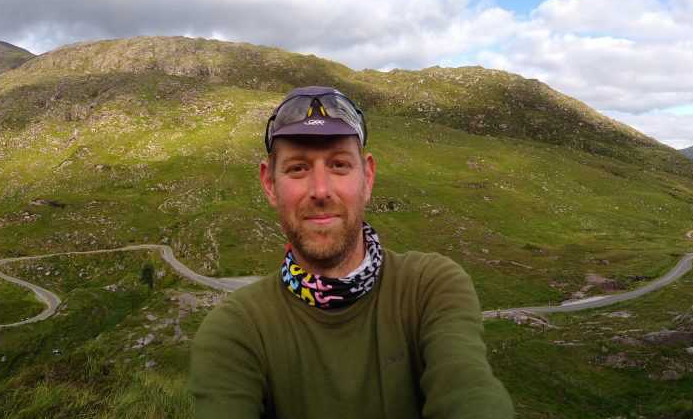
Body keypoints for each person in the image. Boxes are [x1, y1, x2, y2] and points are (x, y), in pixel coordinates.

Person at [189, 86, 511, 418]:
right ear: (270, 184)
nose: (321, 191)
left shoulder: (429, 288)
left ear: (367, 177)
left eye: (339, 165)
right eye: (298, 168)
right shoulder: (236, 328)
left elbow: (468, 390)